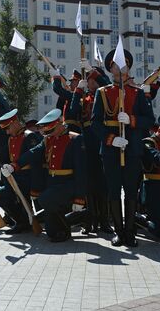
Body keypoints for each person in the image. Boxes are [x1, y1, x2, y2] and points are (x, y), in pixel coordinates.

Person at [92, 48, 155, 247]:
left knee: (130, 190)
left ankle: (130, 232)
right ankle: (119, 232)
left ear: (128, 69)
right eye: (116, 66)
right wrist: (111, 139)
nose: (120, 70)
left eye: (124, 66)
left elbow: (149, 120)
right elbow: (95, 123)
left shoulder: (137, 93)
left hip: (132, 147)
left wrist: (132, 119)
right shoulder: (102, 93)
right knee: (113, 191)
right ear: (111, 69)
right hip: (111, 150)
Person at [14, 109, 87, 242]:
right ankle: (66, 226)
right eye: (46, 132)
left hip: (68, 182)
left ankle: (65, 229)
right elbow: (33, 152)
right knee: (51, 231)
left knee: (45, 199)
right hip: (52, 182)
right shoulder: (48, 140)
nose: (48, 134)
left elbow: (81, 169)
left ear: (59, 124)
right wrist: (15, 165)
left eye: (50, 131)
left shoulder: (75, 139)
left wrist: (79, 197)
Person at [0, 109, 42, 234]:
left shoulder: (29, 136)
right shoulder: (12, 138)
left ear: (15, 123)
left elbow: (34, 159)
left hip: (28, 177)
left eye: (7, 128)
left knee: (18, 198)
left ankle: (25, 221)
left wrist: (36, 185)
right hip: (15, 177)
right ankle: (21, 220)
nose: (7, 131)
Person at [70, 67, 113, 234]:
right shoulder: (83, 97)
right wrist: (78, 90)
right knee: (88, 184)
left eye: (94, 79)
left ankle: (104, 221)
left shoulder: (105, 94)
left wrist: (94, 72)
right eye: (89, 79)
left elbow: (108, 85)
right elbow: (73, 111)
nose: (91, 81)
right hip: (87, 141)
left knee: (103, 184)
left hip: (102, 139)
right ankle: (89, 221)